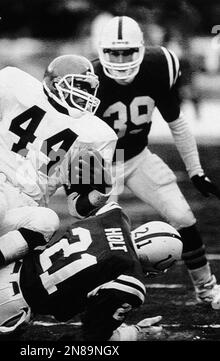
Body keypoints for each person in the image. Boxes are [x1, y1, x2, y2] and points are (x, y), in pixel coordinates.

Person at [0, 11, 118, 291]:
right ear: (53, 82)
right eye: (78, 86)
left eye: (89, 88)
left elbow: (77, 209)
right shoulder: (18, 86)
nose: (86, 94)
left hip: (26, 207)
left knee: (48, 220)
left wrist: (101, 192)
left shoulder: (97, 134)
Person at [92, 15, 220, 309]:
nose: (120, 59)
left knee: (184, 217)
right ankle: (95, 296)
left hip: (138, 157)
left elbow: (177, 123)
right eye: (113, 52)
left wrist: (196, 171)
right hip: (98, 165)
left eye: (127, 52)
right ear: (102, 50)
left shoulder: (159, 66)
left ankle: (206, 289)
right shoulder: (89, 78)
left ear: (140, 49)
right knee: (103, 235)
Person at [0, 202, 182, 341]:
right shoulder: (130, 279)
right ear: (160, 263)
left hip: (9, 266)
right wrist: (134, 333)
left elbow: (84, 200)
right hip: (7, 305)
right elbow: (93, 334)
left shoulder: (113, 214)